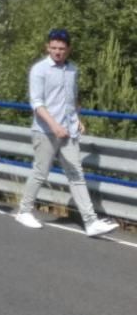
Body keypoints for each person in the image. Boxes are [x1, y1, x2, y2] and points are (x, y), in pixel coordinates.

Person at [13, 29, 119, 237]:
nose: (58, 52)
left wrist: (77, 119)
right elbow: (36, 103)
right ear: (47, 47)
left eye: (62, 48)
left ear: (68, 49)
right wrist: (54, 125)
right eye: (54, 48)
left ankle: (90, 222)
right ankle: (24, 211)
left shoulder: (72, 70)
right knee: (40, 171)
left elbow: (72, 98)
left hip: (68, 131)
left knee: (76, 174)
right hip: (45, 131)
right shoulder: (39, 70)